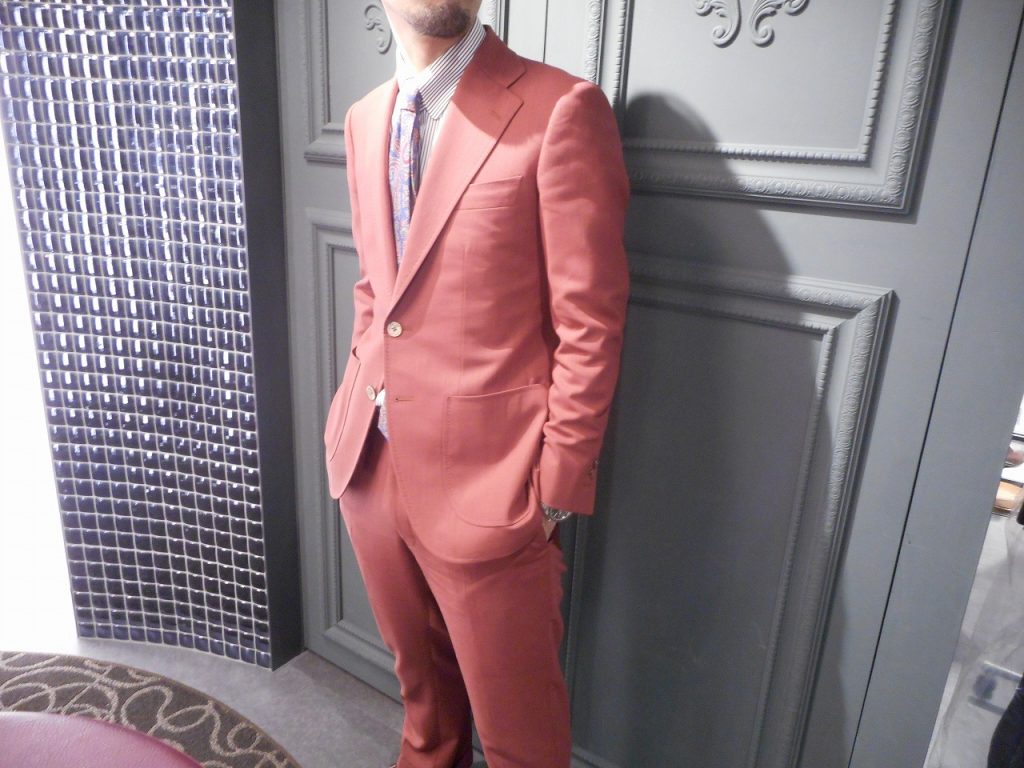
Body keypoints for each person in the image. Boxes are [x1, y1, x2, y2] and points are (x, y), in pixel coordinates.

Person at [322, 1, 630, 765]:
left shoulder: (561, 109)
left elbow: (590, 322)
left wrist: (554, 489)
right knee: (425, 712)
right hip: (370, 467)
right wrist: (352, 413)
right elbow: (377, 291)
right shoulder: (364, 119)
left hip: (493, 489)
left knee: (522, 740)